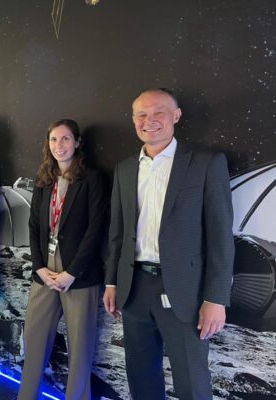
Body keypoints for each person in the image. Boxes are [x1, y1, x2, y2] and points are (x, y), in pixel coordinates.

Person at [103, 88, 234, 400]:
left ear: (176, 116)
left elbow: (220, 236)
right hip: (134, 289)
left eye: (158, 112)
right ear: (134, 120)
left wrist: (216, 298)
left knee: (191, 380)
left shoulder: (206, 163)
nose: (150, 121)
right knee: (141, 375)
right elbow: (118, 233)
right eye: (141, 115)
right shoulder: (124, 168)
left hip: (185, 292)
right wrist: (111, 281)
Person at [17, 119, 107, 400]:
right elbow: (33, 226)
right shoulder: (45, 179)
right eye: (54, 140)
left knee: (79, 349)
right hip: (45, 274)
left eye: (65, 139)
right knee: (34, 341)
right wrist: (40, 267)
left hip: (78, 277)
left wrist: (72, 273)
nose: (59, 146)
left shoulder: (92, 179)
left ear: (77, 142)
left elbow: (96, 229)